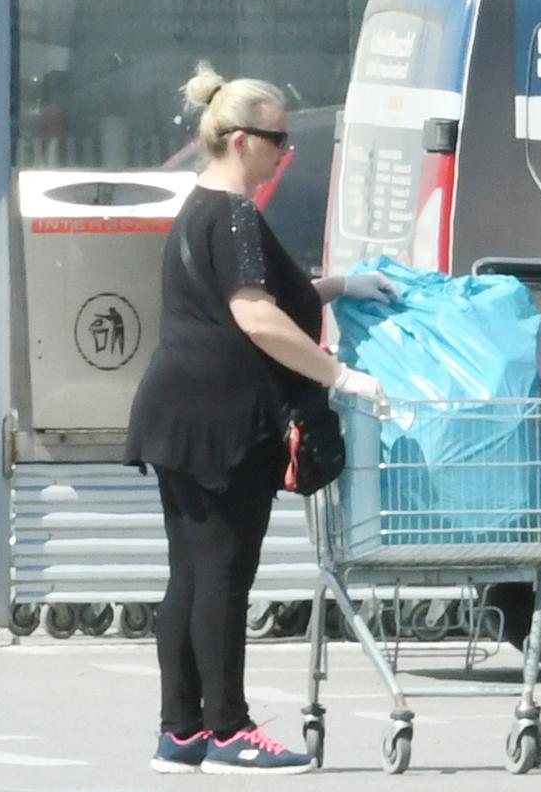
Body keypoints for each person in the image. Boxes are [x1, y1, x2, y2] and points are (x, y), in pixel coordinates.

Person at [124, 62, 394, 775]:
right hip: (220, 418)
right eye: (279, 138)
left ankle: (181, 730)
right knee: (222, 573)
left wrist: (339, 285)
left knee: (191, 571)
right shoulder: (237, 213)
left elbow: (257, 294)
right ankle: (230, 731)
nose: (287, 151)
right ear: (241, 139)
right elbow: (254, 314)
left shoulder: (203, 207)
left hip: (177, 408)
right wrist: (343, 375)